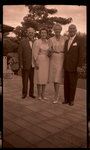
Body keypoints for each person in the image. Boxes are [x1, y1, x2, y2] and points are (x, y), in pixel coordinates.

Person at [63, 24, 83, 106]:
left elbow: (81, 54)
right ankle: (66, 99)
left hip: (74, 67)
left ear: (76, 30)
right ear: (68, 30)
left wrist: (79, 66)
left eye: (73, 28)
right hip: (66, 66)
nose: (71, 30)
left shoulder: (80, 40)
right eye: (70, 29)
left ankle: (71, 100)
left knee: (72, 84)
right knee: (66, 84)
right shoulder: (67, 41)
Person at [48, 23, 66, 103]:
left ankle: (57, 95)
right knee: (55, 78)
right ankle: (56, 94)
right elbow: (48, 53)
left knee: (58, 77)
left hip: (62, 58)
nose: (57, 30)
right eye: (56, 29)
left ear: (61, 30)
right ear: (54, 30)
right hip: (53, 58)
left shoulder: (65, 38)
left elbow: (68, 50)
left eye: (59, 29)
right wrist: (50, 52)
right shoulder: (50, 39)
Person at [32, 27, 50, 100]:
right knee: (39, 78)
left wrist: (50, 53)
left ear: (46, 34)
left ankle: (43, 95)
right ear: (40, 34)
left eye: (45, 33)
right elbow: (34, 53)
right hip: (39, 61)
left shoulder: (48, 42)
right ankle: (39, 95)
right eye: (42, 33)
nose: (43, 34)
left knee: (44, 78)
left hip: (46, 61)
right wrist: (36, 62)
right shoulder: (37, 42)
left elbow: (49, 52)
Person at [18, 27, 36, 99]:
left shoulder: (36, 42)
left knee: (33, 81)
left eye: (32, 32)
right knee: (24, 80)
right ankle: (24, 93)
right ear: (27, 33)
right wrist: (21, 64)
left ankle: (31, 93)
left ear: (34, 33)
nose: (31, 34)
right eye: (29, 32)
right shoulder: (22, 41)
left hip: (34, 65)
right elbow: (20, 54)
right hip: (25, 64)